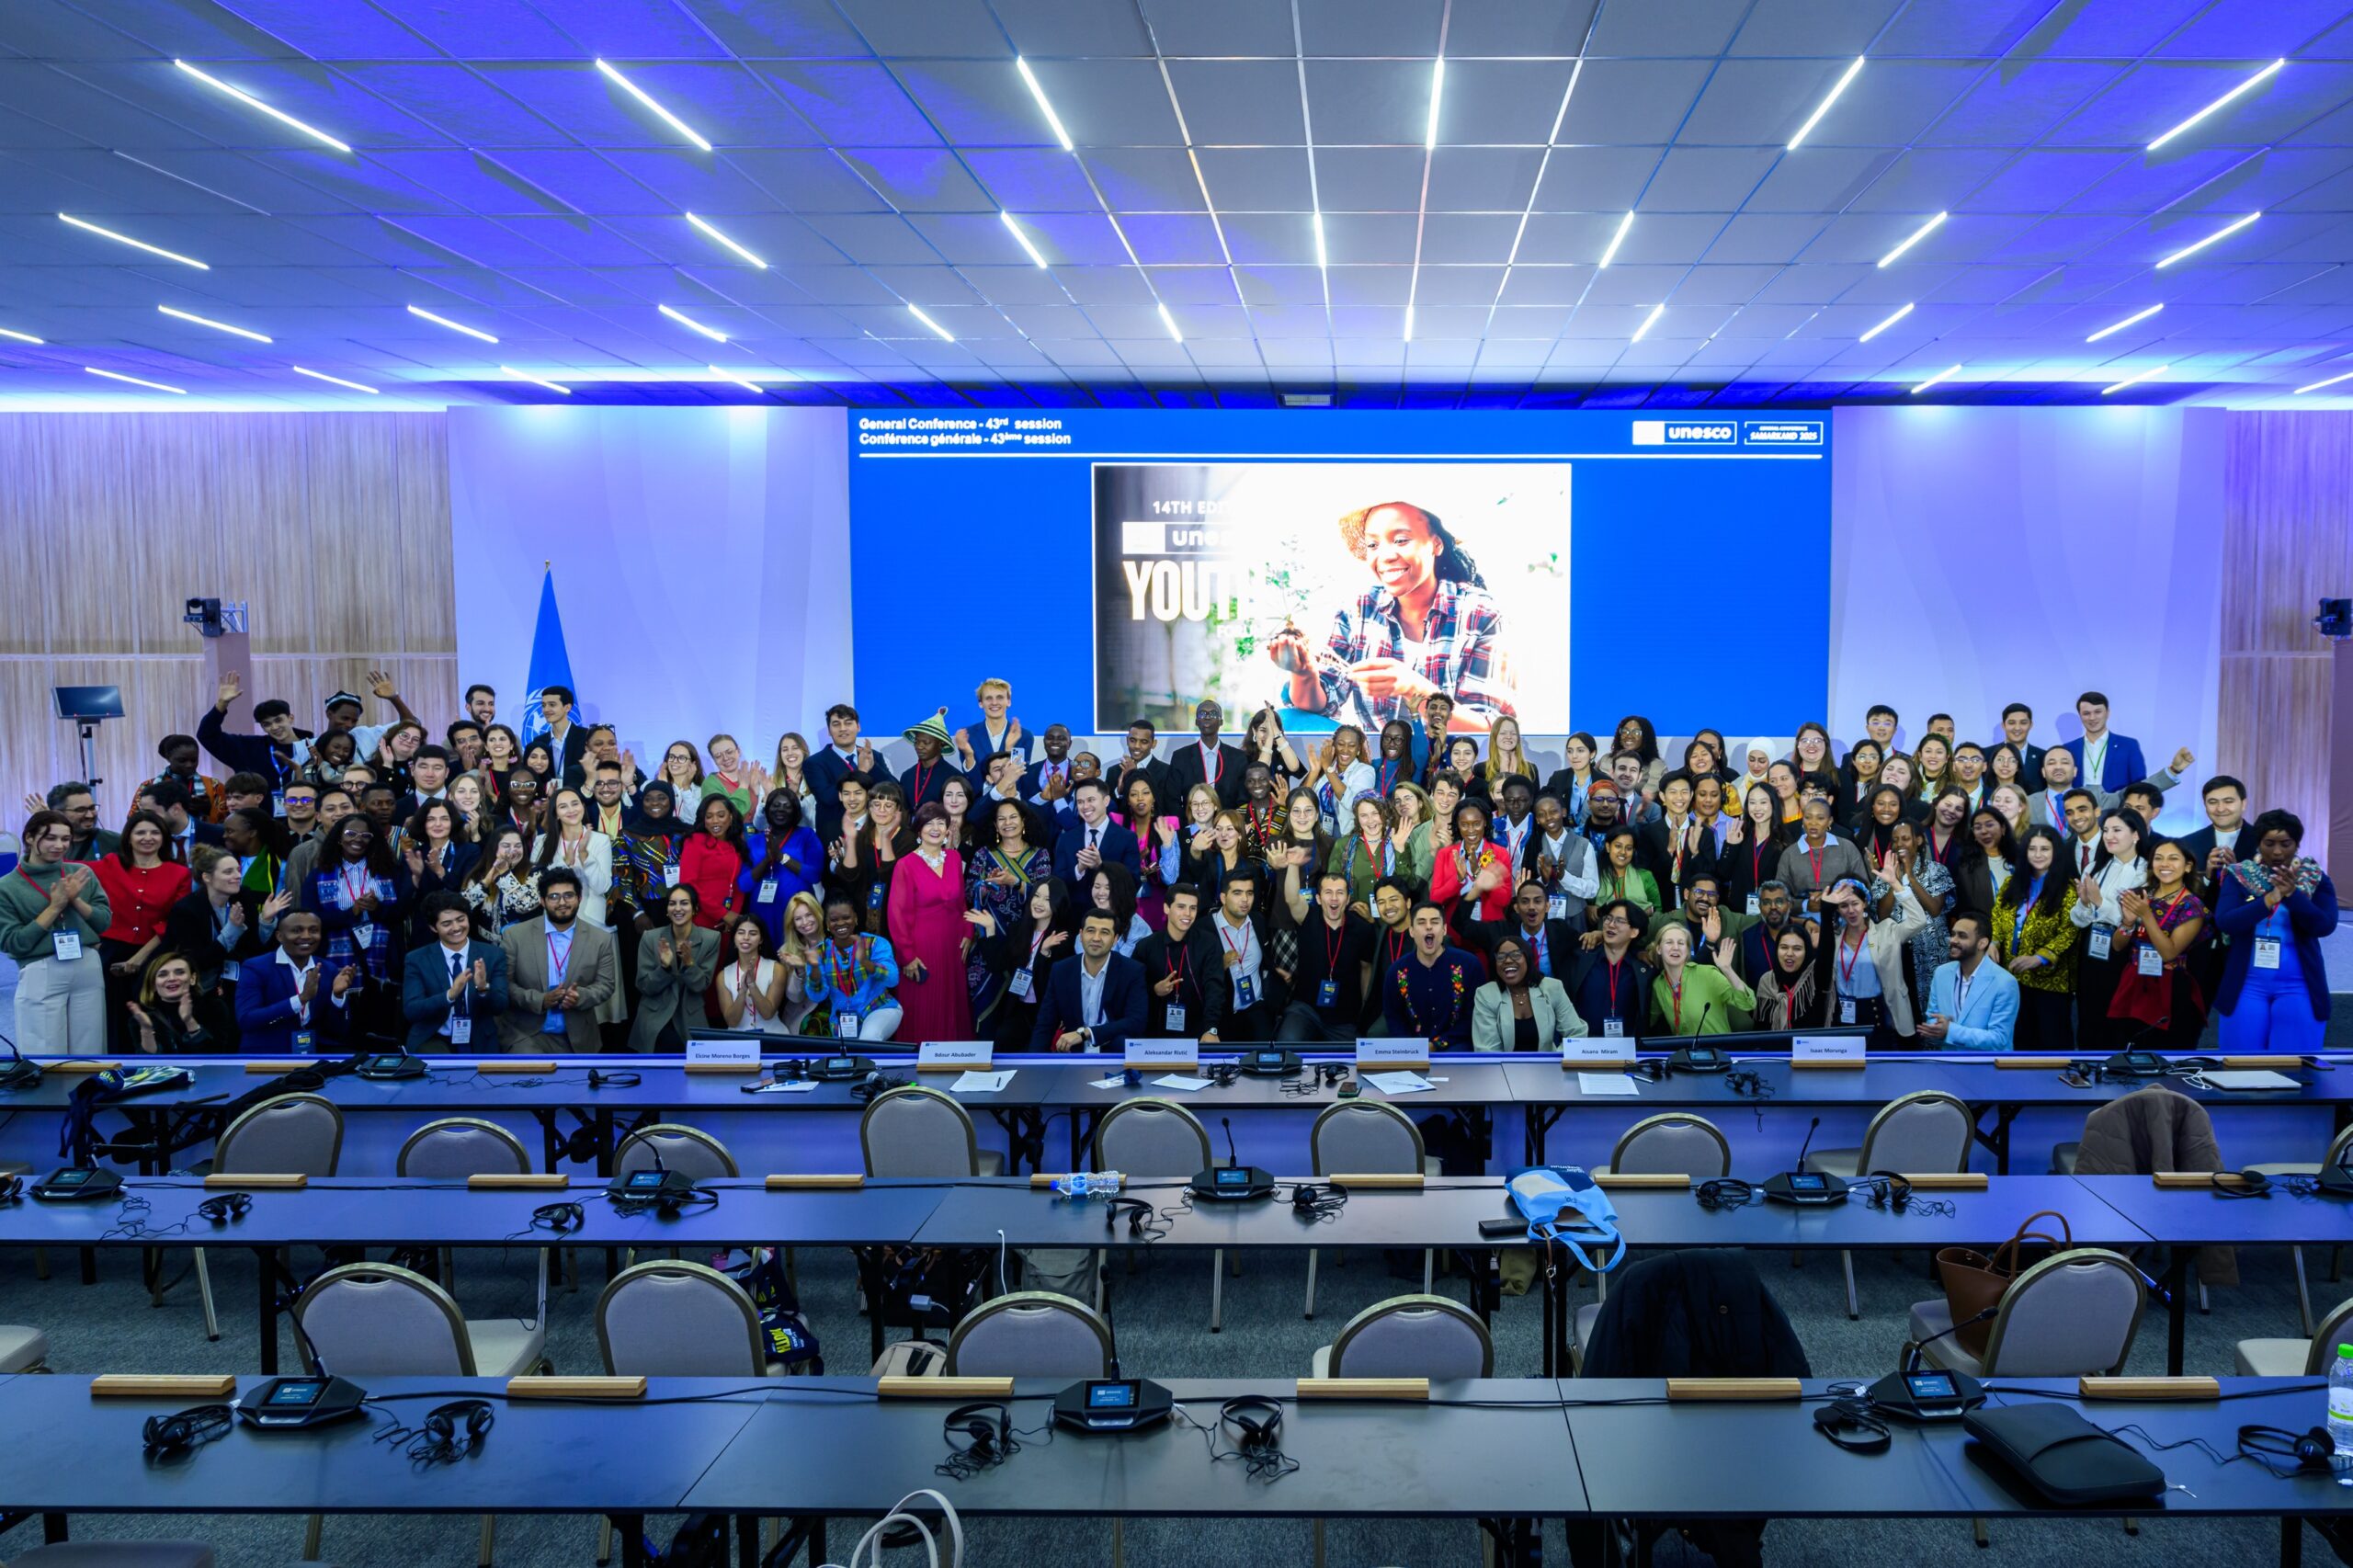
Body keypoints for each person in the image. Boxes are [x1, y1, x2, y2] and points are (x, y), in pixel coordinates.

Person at [1265, 501, 1515, 731]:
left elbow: (1489, 732)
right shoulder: (1359, 609)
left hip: (1451, 763)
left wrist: (1413, 688)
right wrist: (1304, 672)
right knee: (1288, 720)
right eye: (1373, 545)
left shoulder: (1481, 613)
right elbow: (1320, 703)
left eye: (1401, 540)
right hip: (1382, 760)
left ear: (1436, 544)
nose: (1385, 556)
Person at [2214, 810, 2338, 1054]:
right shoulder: (2239, 876)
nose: (2278, 852)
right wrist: (2268, 900)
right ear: (2259, 843)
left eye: (2286, 844)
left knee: (2295, 1071)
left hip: (2299, 987)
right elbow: (2226, 922)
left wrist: (2293, 896)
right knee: (2241, 1070)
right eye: (2269, 844)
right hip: (2247, 986)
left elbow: (2324, 926)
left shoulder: (2315, 878)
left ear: (2297, 844)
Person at [92, 811, 191, 1050]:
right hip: (111, 953)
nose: (148, 838)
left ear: (164, 838)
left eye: (155, 832)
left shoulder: (179, 873)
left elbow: (173, 922)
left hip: (154, 955)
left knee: (150, 1018)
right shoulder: (109, 865)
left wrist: (138, 959)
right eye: (140, 832)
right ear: (128, 837)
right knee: (113, 1016)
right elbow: (63, 867)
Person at [305, 813, 406, 1041]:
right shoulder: (318, 875)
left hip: (382, 959)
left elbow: (401, 913)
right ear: (339, 838)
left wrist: (377, 908)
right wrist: (351, 913)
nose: (358, 839)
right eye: (351, 834)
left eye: (365, 835)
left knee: (381, 1028)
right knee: (343, 1026)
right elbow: (312, 918)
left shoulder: (389, 871)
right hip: (335, 957)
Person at [497, 868, 616, 1051]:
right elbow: (505, 985)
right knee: (535, 1074)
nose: (562, 902)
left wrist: (581, 997)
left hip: (578, 1037)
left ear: (579, 898)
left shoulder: (600, 939)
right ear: (542, 901)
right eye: (554, 897)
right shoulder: (515, 936)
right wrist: (540, 1000)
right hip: (527, 1033)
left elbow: (606, 985)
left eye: (569, 895)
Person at [887, 801, 974, 1045]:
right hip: (921, 948)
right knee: (925, 1005)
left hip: (954, 946)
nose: (935, 828)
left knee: (953, 1005)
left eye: (941, 823)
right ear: (918, 830)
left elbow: (961, 903)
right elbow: (897, 914)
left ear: (948, 829)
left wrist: (968, 931)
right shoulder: (906, 864)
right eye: (929, 823)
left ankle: (954, 1063)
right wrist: (906, 955)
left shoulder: (955, 858)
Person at [2109, 839, 2210, 1048]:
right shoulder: (2142, 895)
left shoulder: (2192, 906)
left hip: (2170, 985)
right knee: (2127, 1046)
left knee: (2162, 1050)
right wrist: (2127, 922)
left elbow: (2169, 952)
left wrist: (2146, 915)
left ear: (2188, 866)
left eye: (2173, 859)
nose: (2165, 864)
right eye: (2159, 858)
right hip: (2134, 980)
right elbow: (2118, 946)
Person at [1991, 825, 2081, 1052]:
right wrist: (1994, 942)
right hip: (2013, 976)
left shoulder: (2069, 888)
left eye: (2045, 849)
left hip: (2050, 981)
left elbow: (2070, 931)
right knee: (2020, 1039)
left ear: (2056, 853)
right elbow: (1998, 917)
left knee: (2052, 1042)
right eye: (2032, 849)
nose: (2038, 855)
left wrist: (2039, 958)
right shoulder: (2012, 884)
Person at [1812, 872, 1927, 1049]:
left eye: (1855, 903)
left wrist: (1896, 885)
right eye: (1843, 905)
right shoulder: (1833, 940)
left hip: (1878, 1012)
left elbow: (1918, 921)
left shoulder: (1886, 931)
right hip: (1842, 1014)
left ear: (1865, 903)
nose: (1851, 910)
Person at [2069, 807, 2150, 1051]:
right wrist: (2084, 902)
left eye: (2117, 830)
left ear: (2136, 835)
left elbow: (2132, 920)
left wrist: (2099, 902)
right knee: (2088, 1014)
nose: (2109, 836)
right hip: (2092, 948)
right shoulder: (2095, 866)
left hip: (2125, 952)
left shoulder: (2145, 871)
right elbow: (2079, 919)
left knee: (2117, 1019)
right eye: (2105, 830)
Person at [233, 911, 358, 1053]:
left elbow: (339, 1031)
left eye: (314, 930)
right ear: (279, 936)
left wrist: (337, 997)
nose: (306, 936)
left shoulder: (328, 969)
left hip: (314, 1060)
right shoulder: (256, 967)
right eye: (297, 931)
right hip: (266, 1058)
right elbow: (246, 1020)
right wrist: (300, 999)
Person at [400, 891, 508, 1051]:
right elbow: (412, 1010)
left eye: (461, 919)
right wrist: (450, 995)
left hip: (479, 1037)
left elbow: (500, 1007)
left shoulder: (493, 955)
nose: (456, 928)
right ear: (433, 927)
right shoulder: (417, 959)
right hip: (434, 1038)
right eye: (447, 924)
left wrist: (483, 988)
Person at [1276, 871, 1375, 1044]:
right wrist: (1293, 864)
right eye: (1328, 892)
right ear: (1319, 898)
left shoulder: (1362, 929)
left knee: (1353, 1062)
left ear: (1348, 898)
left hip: (1344, 1017)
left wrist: (1364, 1008)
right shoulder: (1307, 918)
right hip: (1305, 1009)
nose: (1334, 898)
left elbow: (1366, 968)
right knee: (1287, 1044)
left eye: (1340, 892)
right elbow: (1292, 899)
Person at [1031, 909, 1146, 1051]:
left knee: (1122, 1042)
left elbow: (1136, 1021)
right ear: (1081, 935)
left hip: (1113, 1048)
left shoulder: (1132, 971)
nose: (1096, 938)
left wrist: (1088, 1033)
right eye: (1090, 930)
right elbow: (1045, 1024)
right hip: (1074, 1050)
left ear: (1115, 939)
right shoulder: (1061, 970)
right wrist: (1034, 1062)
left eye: (1104, 932)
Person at [630, 884, 720, 1051]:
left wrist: (689, 963)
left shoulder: (711, 939)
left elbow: (701, 985)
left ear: (695, 909)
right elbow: (644, 986)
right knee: (665, 1043)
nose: (678, 908)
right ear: (667, 910)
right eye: (672, 903)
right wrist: (664, 968)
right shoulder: (650, 938)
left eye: (684, 903)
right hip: (656, 1014)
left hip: (689, 1015)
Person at [1134, 881, 1227, 1043]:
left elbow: (1215, 989)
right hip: (1154, 1033)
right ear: (1166, 908)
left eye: (1193, 908)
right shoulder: (1146, 946)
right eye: (1181, 907)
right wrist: (1154, 989)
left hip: (1198, 1032)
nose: (1188, 914)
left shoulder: (1208, 943)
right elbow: (1133, 991)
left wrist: (1211, 1028)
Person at [1381, 901, 1480, 1049]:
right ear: (1412, 931)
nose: (1428, 926)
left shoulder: (1469, 965)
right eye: (1421, 923)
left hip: (1457, 1048)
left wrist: (1436, 1045)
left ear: (1444, 929)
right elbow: (1393, 1017)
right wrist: (1412, 1048)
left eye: (1434, 922)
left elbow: (1473, 1016)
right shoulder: (1397, 972)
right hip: (1411, 1051)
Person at [1918, 911, 2020, 1051]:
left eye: (1962, 936)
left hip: (1988, 1067)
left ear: (1982, 943)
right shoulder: (1941, 973)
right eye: (1953, 934)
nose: (1953, 940)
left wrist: (1950, 1030)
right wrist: (1936, 1029)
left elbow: (1999, 1039)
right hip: (1949, 1063)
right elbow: (1933, 1018)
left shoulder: (2005, 982)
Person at [1472, 932, 1584, 1050]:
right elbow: (1487, 1050)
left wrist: (1554, 1061)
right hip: (1503, 1067)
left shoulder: (1552, 988)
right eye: (1501, 957)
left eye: (1515, 955)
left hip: (1547, 1066)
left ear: (1528, 959)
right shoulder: (1486, 994)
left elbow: (1576, 1034)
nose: (1508, 960)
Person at [740, 790, 824, 947]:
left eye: (787, 806)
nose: (780, 810)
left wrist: (781, 858)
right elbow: (744, 884)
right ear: (767, 809)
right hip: (762, 911)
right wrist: (767, 860)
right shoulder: (754, 841)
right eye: (776, 805)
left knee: (797, 960)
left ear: (795, 811)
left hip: (797, 913)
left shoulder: (807, 835)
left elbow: (814, 875)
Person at [1645, 921, 1750, 1038]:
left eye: (1681, 943)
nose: (1675, 948)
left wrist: (1727, 970)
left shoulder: (1708, 974)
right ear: (1659, 949)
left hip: (1718, 1051)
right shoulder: (1658, 985)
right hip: (1684, 1053)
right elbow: (1648, 1021)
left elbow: (1747, 1003)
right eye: (1669, 942)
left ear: (1687, 950)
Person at [1566, 899, 1650, 1041]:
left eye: (1620, 921)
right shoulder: (1580, 958)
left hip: (1628, 1051)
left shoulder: (1643, 969)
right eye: (1608, 919)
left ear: (1634, 932)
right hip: (1583, 1048)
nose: (1611, 925)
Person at [1207, 869, 1275, 1041]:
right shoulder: (1205, 929)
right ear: (1223, 898)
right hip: (1223, 1013)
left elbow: (1266, 959)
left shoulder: (1258, 921)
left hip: (1256, 1008)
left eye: (1249, 893)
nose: (1245, 900)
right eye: (1237, 893)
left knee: (1267, 1059)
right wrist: (1218, 966)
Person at [1429, 800, 1514, 937]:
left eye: (1476, 824)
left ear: (1485, 822)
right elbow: (1436, 899)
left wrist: (1479, 874)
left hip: (1489, 934)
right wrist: (1458, 880)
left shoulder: (1499, 853)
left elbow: (1504, 901)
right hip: (1454, 933)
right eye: (1464, 825)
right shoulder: (1445, 855)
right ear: (1458, 824)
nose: (1471, 830)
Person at [1476, 877, 1578, 984]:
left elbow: (1584, 941)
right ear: (1517, 908)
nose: (1531, 907)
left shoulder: (1560, 930)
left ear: (1547, 906)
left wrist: (1596, 935)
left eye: (1537, 901)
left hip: (1551, 997)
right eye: (1525, 902)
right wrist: (1476, 889)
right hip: (1514, 997)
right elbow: (1464, 926)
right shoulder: (1503, 931)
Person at [1776, 798, 1869, 911]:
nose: (1813, 823)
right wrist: (1805, 905)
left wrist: (1836, 900)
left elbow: (1863, 888)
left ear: (1830, 821)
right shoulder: (1789, 854)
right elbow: (1779, 896)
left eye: (1820, 818)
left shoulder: (1847, 848)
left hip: (1844, 916)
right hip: (1802, 920)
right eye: (1808, 817)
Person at [805, 704, 881, 843]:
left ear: (858, 727)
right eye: (836, 724)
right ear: (829, 730)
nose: (843, 729)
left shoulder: (872, 756)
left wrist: (873, 766)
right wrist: (862, 772)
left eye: (848, 723)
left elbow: (892, 789)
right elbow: (827, 797)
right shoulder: (814, 763)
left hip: (874, 832)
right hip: (835, 835)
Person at [1053, 777, 1142, 892]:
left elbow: (1133, 883)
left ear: (1106, 801)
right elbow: (1056, 883)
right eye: (1080, 802)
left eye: (1091, 800)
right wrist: (1078, 870)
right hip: (1075, 909)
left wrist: (1101, 866)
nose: (1085, 806)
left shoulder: (1126, 838)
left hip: (1112, 908)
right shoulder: (1066, 838)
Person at [680, 794, 750, 931]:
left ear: (730, 817)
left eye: (721, 815)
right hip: (701, 918)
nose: (715, 821)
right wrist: (723, 914)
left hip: (729, 923)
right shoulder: (695, 841)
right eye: (709, 816)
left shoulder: (737, 845)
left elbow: (739, 884)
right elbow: (688, 884)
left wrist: (733, 916)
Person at [715, 913, 790, 1035]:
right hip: (739, 1044)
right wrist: (742, 992)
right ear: (734, 938)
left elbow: (768, 1013)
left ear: (761, 939)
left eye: (753, 933)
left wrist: (752, 985)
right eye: (740, 932)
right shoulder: (723, 976)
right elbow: (732, 1022)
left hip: (773, 1038)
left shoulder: (777, 969)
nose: (746, 937)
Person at [1166, 699, 1248, 809]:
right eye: (1202, 713)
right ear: (1196, 722)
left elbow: (1243, 800)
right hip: (1192, 824)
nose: (1207, 717)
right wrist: (1187, 826)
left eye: (1213, 714)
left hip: (1227, 823)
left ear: (1221, 722)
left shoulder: (1238, 758)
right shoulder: (1180, 757)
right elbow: (1172, 801)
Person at [2060, 690, 2146, 792]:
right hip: (2079, 806)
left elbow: (2140, 784)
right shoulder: (2068, 749)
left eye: (2098, 712)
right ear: (2080, 716)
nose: (2092, 718)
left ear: (2107, 713)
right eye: (2086, 713)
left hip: (2118, 807)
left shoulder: (2128, 745)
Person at [1751, 925, 1823, 1031]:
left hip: (1808, 1047)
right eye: (1784, 947)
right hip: (1775, 1046)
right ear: (1776, 949)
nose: (1789, 953)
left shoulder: (1816, 980)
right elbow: (1760, 1027)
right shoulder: (1767, 981)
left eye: (1797, 949)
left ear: (1807, 951)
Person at [951, 678, 1025, 774]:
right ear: (981, 703)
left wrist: (1008, 749)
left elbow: (1019, 781)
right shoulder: (968, 736)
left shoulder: (1024, 736)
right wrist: (969, 755)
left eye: (1000, 697)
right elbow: (971, 783)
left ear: (1008, 702)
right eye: (989, 698)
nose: (994, 702)